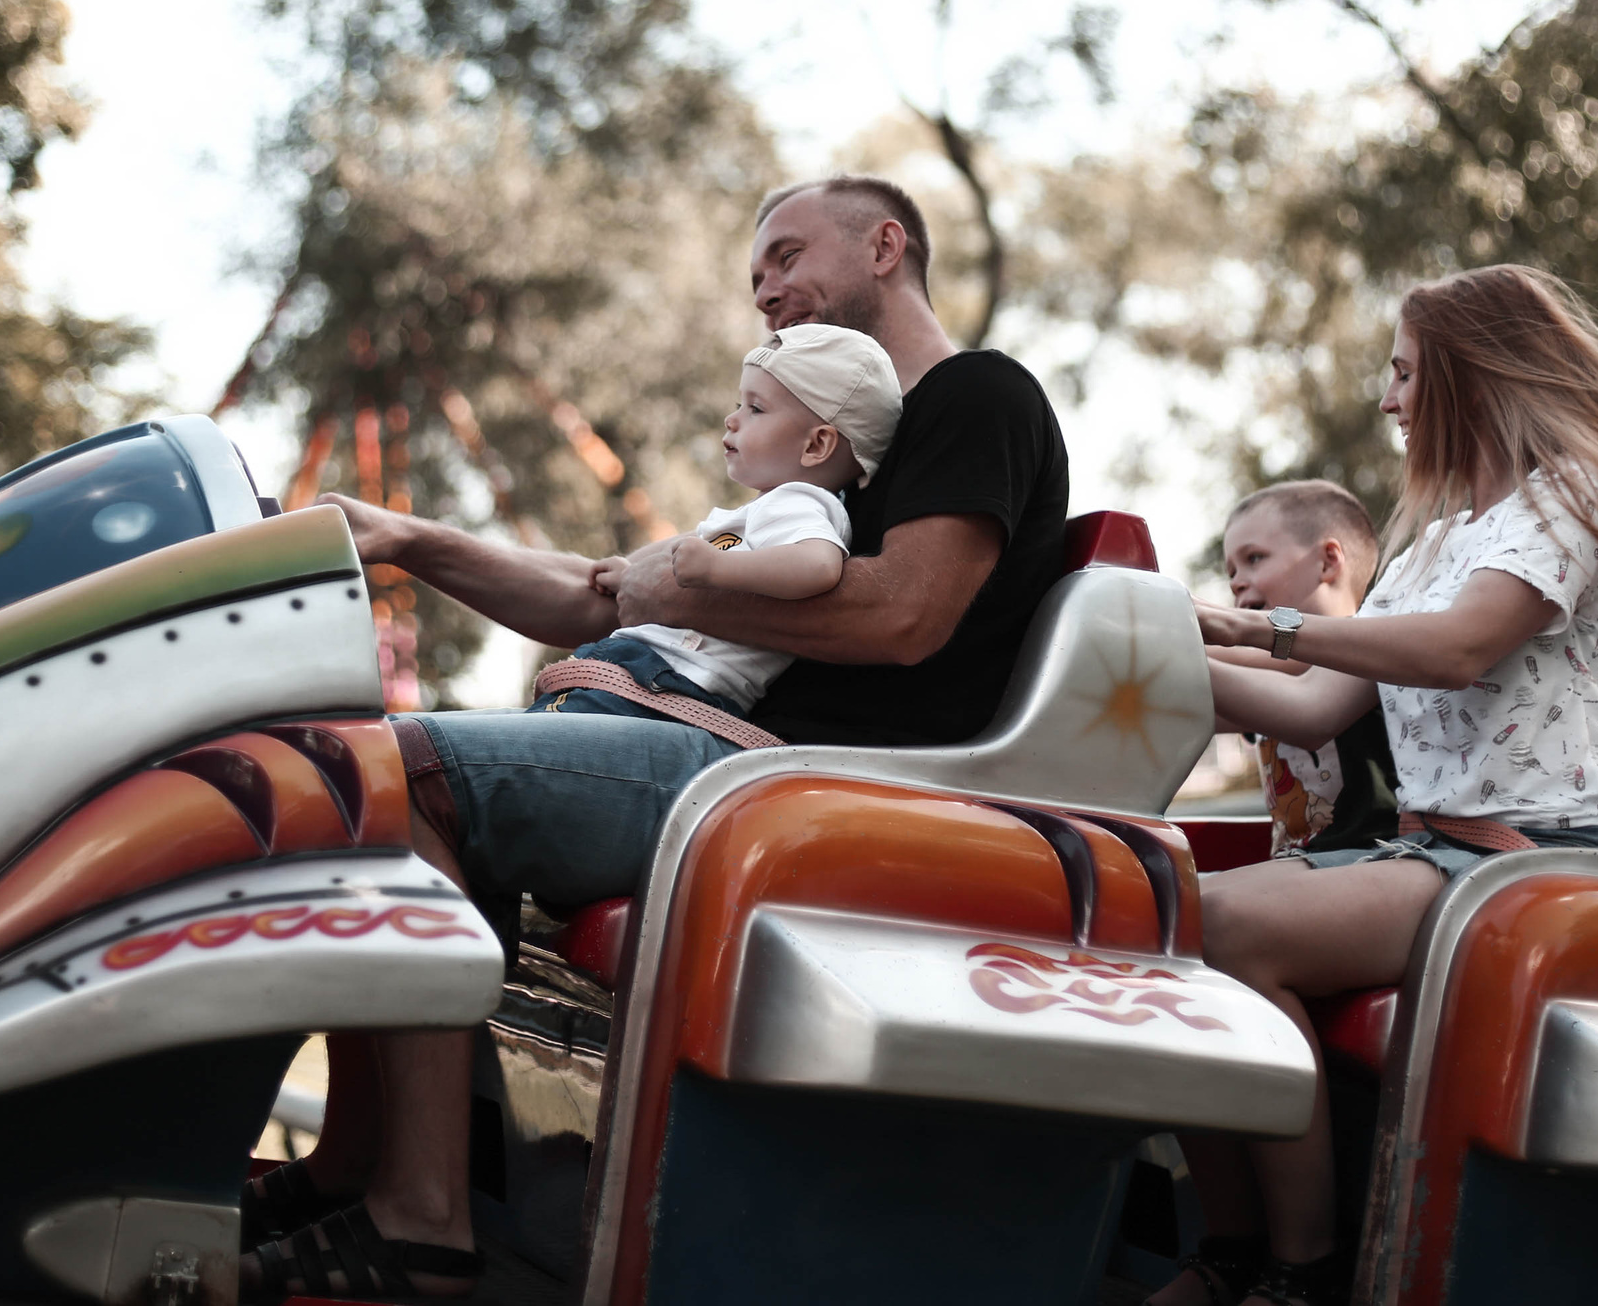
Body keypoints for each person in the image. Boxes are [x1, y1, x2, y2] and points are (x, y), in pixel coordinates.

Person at [239, 175, 1071, 1303]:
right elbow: (604, 594)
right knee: (360, 761)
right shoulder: (814, 460)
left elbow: (902, 616)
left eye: (787, 256)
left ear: (886, 245)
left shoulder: (974, 396)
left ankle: (422, 1219)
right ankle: (356, 1166)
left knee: (395, 770)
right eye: (755, 274)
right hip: (724, 755)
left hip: (798, 788)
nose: (765, 289)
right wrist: (407, 539)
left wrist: (675, 582)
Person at [1156, 264, 1598, 1306]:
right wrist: (1151, 647)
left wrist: (1254, 625)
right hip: (1440, 852)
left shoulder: (1575, 495)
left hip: (1545, 858)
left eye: (1405, 372)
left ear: (1472, 373)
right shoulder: (1434, 544)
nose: (1388, 399)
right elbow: (1313, 706)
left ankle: (1303, 1270)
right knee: (1166, 910)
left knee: (1221, 923)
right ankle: (1230, 1250)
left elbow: (1458, 648)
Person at [538, 322, 902, 726]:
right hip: (647, 677)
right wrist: (632, 574)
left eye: (755, 409)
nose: (732, 419)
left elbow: (819, 565)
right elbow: (694, 559)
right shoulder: (765, 510)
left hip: (671, 686)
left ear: (816, 445)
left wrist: (716, 568)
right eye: (738, 404)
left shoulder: (800, 503)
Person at [1207, 481, 1398, 858]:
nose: (1236, 582)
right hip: (1298, 862)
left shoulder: (1365, 648)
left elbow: (1291, 661)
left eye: (1254, 558)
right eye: (1231, 572)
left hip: (1370, 858)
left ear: (1327, 561)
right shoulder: (1263, 668)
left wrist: (1170, 641)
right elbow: (1191, 704)